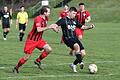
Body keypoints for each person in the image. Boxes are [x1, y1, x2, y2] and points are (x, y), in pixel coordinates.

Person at [13, 6, 56, 73]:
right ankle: (16, 67)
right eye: (48, 12)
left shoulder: (46, 18)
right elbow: (38, 30)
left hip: (39, 40)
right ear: (44, 12)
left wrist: (54, 28)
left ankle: (38, 60)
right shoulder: (37, 18)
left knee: (49, 49)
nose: (49, 13)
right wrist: (50, 27)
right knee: (26, 57)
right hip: (31, 40)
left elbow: (45, 26)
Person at [50, 7, 95, 72]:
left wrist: (90, 27)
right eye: (73, 13)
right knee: (77, 46)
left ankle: (73, 65)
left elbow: (82, 27)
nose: (74, 15)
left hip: (75, 38)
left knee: (83, 53)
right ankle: (81, 62)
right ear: (69, 12)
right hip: (67, 38)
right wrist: (56, 30)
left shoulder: (74, 20)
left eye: (75, 14)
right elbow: (54, 25)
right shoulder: (63, 20)